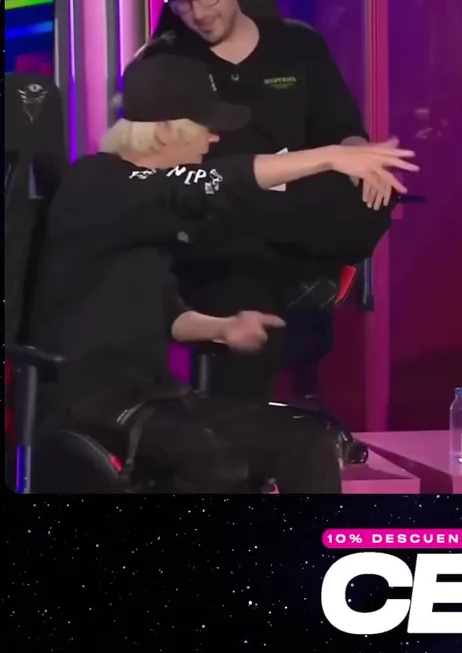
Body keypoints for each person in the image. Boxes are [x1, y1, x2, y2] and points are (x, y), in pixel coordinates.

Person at [27, 54, 415, 493]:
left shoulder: (147, 208)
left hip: (157, 395)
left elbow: (167, 315)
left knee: (305, 442)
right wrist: (328, 157)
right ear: (164, 129)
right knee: (215, 463)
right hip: (90, 401)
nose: (214, 137)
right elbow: (208, 184)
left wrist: (223, 328)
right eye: (205, 126)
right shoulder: (96, 184)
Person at [139, 0, 389, 401]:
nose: (199, 12)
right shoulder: (166, 62)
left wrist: (363, 159)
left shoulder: (298, 45)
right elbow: (170, 176)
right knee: (230, 241)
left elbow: (342, 129)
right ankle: (244, 435)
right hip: (217, 227)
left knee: (373, 189)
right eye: (183, 1)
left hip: (297, 217)